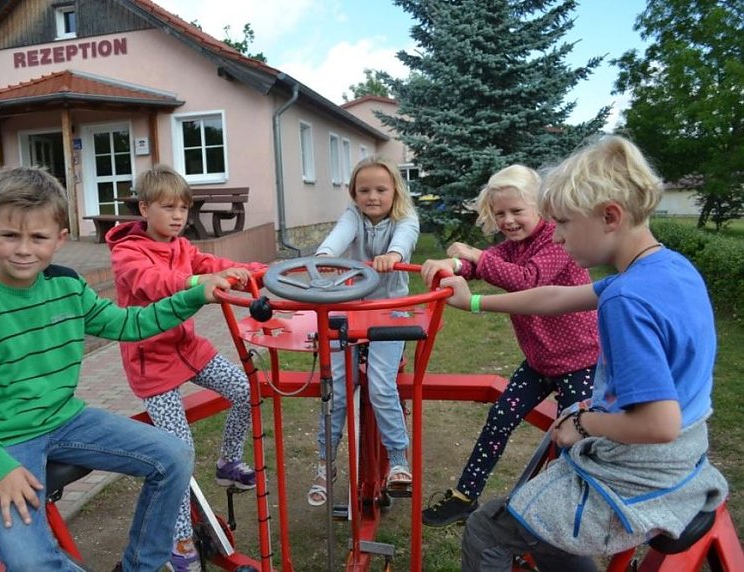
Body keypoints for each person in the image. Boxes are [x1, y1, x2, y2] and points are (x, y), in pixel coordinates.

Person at [0, 166, 230, 572]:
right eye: (10, 236)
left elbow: (127, 324)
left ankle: (142, 565)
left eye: (38, 237)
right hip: (0, 440)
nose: (24, 250)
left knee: (174, 454)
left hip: (65, 420)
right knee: (31, 563)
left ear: (60, 238)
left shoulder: (66, 286)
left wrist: (193, 295)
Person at [440, 136, 728, 571]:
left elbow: (658, 424)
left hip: (643, 468)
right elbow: (554, 296)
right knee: (541, 518)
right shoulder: (668, 267)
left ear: (610, 216)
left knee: (487, 528)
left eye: (563, 223)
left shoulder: (625, 302)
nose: (556, 236)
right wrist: (474, 302)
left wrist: (581, 423)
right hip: (688, 454)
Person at [418, 165, 599, 527]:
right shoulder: (513, 247)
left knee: (570, 438)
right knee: (500, 418)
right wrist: (452, 264)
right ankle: (465, 496)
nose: (508, 220)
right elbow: (478, 267)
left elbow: (528, 279)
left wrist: (475, 255)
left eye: (517, 211)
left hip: (580, 361)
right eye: (500, 213)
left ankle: (561, 513)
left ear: (540, 206)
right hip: (539, 361)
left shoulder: (556, 240)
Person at [106, 164, 267, 570]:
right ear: (145, 208)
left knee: (246, 388)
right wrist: (198, 284)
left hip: (187, 348)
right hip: (153, 363)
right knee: (178, 453)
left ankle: (228, 461)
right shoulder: (127, 253)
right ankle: (178, 541)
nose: (178, 216)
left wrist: (261, 273)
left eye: (183, 208)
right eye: (168, 207)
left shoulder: (182, 247)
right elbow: (152, 282)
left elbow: (214, 263)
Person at [307, 155, 420, 507]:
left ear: (395, 191)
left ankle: (398, 460)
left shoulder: (405, 217)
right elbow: (339, 236)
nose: (373, 196)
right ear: (354, 194)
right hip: (351, 309)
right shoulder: (353, 216)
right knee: (337, 388)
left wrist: (394, 255)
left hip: (389, 311)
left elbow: (405, 237)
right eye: (364, 190)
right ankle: (326, 463)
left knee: (381, 384)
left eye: (381, 190)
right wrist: (325, 254)